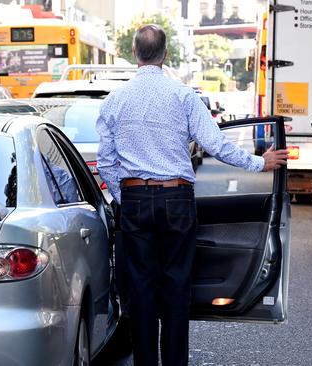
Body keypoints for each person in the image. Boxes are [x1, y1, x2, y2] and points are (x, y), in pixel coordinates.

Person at [95, 24, 288, 366]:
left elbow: (107, 161)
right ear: (165, 54)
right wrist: (260, 163)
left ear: (136, 54)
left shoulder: (115, 100)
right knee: (176, 287)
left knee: (140, 291)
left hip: (135, 200)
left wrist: (125, 200)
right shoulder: (183, 96)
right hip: (177, 200)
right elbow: (215, 144)